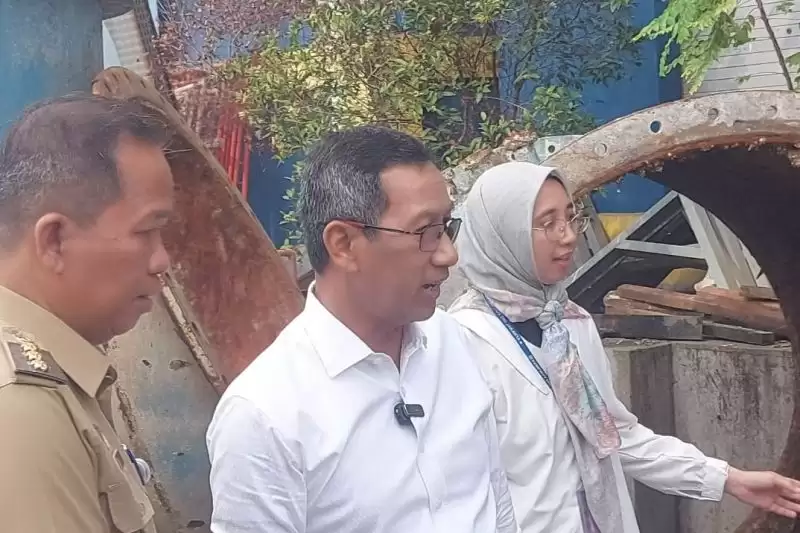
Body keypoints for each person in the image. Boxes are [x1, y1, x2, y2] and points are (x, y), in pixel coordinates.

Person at [448, 161, 800, 533]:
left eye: (571, 217)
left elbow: (614, 435)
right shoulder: (463, 341)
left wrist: (728, 479)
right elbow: (456, 490)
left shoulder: (570, 323)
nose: (568, 236)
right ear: (502, 235)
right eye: (548, 223)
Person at [206, 125, 518, 533]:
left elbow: (496, 501)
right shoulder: (264, 416)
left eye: (446, 227)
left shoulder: (453, 341)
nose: (448, 254)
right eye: (426, 232)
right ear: (344, 244)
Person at [0, 94, 174, 533]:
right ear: (55, 240)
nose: (162, 260)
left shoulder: (58, 379)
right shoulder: (21, 408)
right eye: (147, 231)